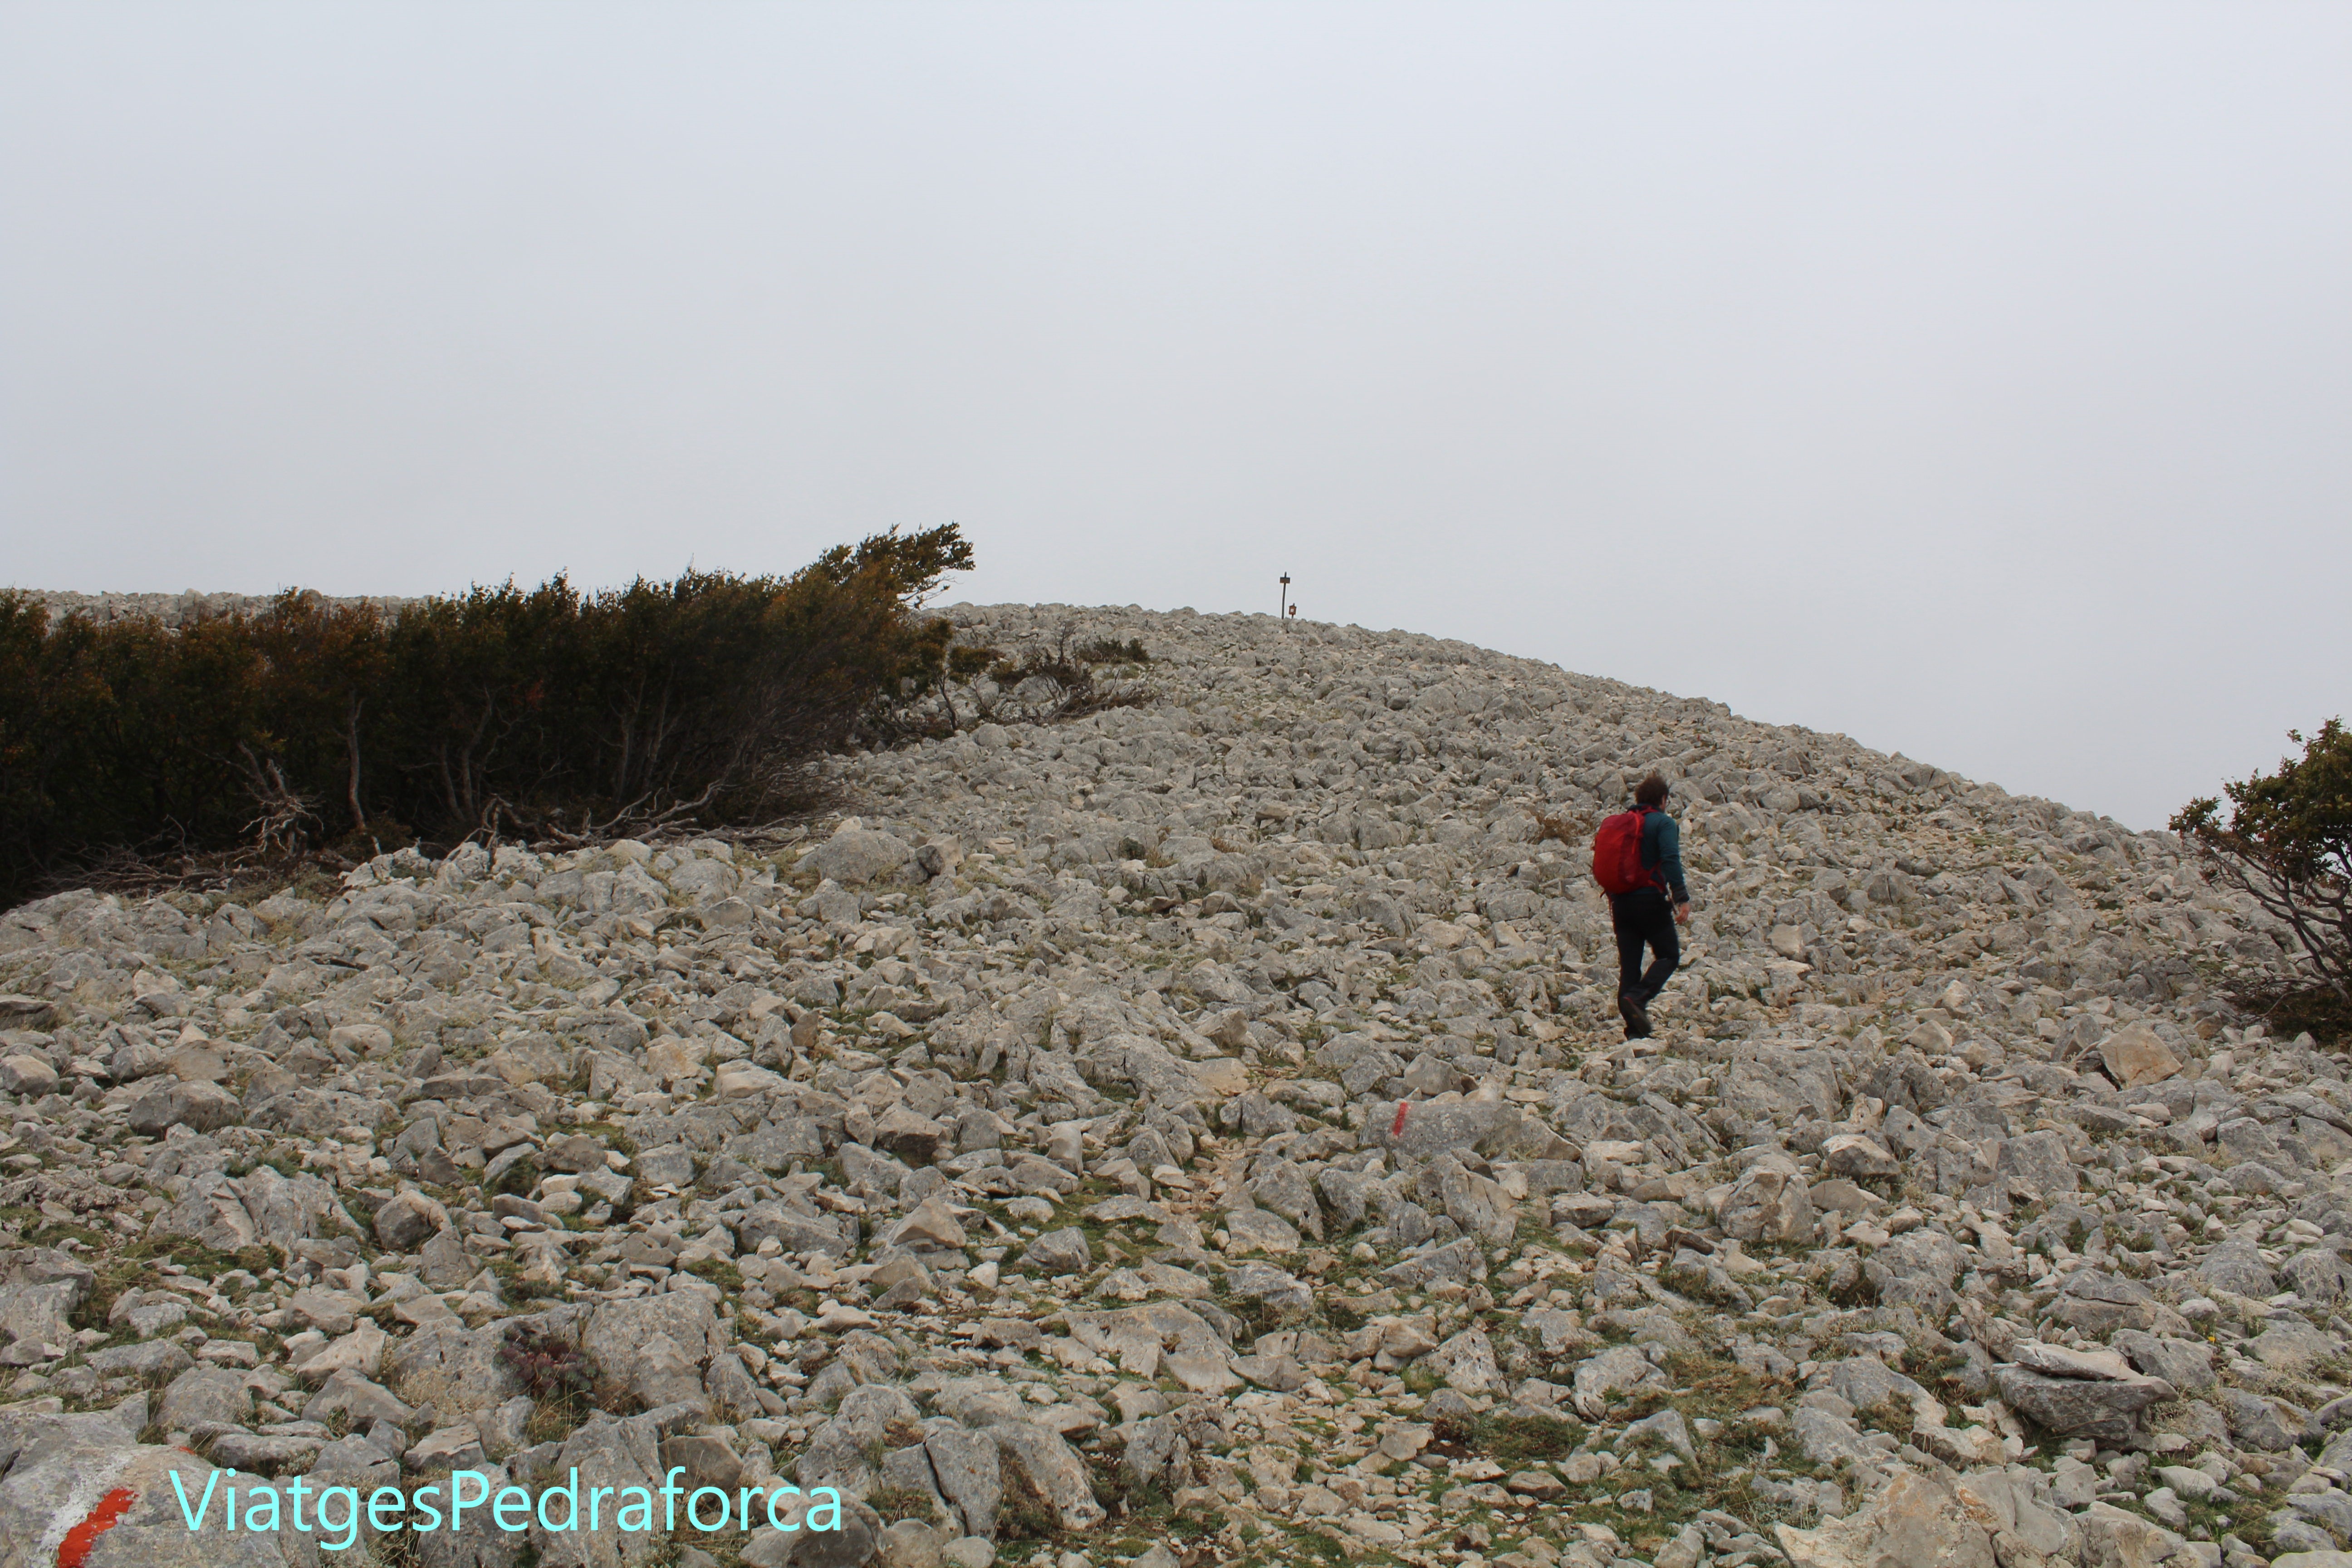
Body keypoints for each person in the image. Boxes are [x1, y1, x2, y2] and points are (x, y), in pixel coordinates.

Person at [1611, 772, 1691, 1038]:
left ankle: (1634, 1031)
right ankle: (1637, 999)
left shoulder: (1625, 823)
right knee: (1669, 955)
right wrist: (1681, 897)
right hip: (1649, 901)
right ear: (1663, 799)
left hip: (1620, 903)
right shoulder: (1663, 823)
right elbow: (1669, 858)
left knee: (1630, 965)